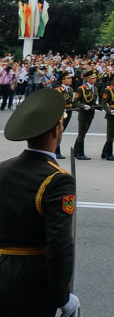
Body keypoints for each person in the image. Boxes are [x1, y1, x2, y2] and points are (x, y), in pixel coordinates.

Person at [0, 88, 79, 316]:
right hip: (30, 284)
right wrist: (62, 296)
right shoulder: (57, 179)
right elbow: (59, 246)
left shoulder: (3, 168)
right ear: (57, 129)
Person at [72, 69, 100, 160]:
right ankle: (80, 153)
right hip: (83, 113)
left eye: (95, 78)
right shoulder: (82, 88)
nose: (94, 79)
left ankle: (76, 150)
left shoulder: (95, 88)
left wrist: (98, 106)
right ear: (87, 79)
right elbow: (75, 102)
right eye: (92, 78)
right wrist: (83, 106)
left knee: (83, 133)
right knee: (82, 133)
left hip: (91, 113)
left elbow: (93, 101)